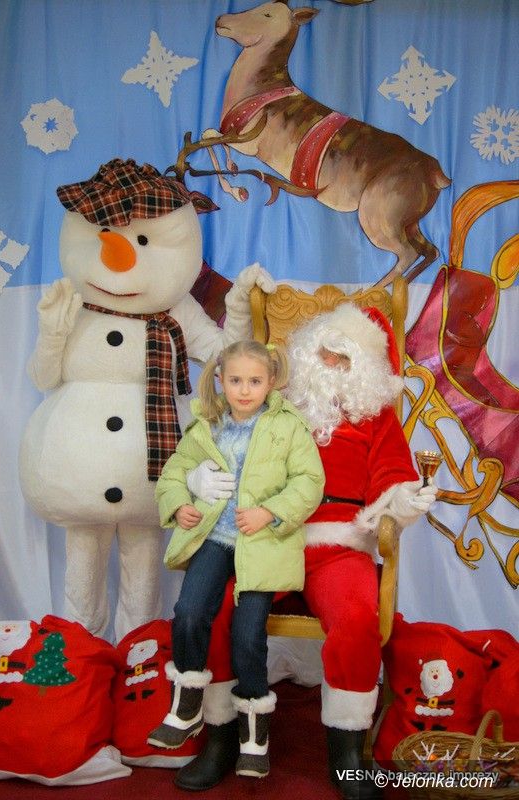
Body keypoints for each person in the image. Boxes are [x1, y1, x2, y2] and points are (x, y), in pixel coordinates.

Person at [177, 304, 437, 799]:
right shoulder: (272, 402)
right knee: (215, 605)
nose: (332, 364)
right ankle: (220, 736)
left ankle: (346, 751)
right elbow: (221, 437)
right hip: (266, 536)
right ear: (305, 353)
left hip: (338, 543)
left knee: (356, 615)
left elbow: (391, 474)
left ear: (365, 367)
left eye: (346, 357)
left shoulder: (376, 416)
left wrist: (403, 499)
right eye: (325, 352)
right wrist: (196, 475)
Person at [147, 340, 325, 779]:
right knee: (189, 612)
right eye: (236, 381)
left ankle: (253, 735)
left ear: (271, 381)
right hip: (215, 538)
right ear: (220, 381)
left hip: (261, 543)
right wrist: (181, 501)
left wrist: (270, 511)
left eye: (255, 381)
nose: (245, 390)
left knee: (247, 635)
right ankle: (187, 704)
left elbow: (309, 481)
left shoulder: (288, 426)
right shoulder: (206, 427)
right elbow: (172, 473)